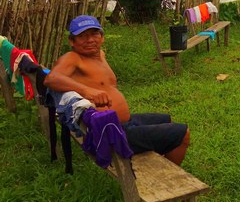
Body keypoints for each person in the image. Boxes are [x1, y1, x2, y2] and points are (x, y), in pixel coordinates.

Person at [44, 16, 191, 165]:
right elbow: (51, 78)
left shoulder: (100, 55)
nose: (90, 40)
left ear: (102, 37)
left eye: (94, 34)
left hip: (125, 122)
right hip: (113, 133)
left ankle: (160, 161)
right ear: (72, 41)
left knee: (166, 119)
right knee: (183, 134)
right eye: (82, 36)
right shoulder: (73, 58)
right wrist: (87, 91)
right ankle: (166, 177)